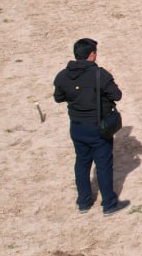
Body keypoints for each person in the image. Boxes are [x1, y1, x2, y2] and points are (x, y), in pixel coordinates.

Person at [52, 38, 129, 215]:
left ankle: (84, 202)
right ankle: (109, 204)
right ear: (92, 55)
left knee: (81, 163)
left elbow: (58, 97)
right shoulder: (99, 75)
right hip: (97, 128)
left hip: (77, 127)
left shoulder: (62, 75)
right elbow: (117, 95)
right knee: (103, 165)